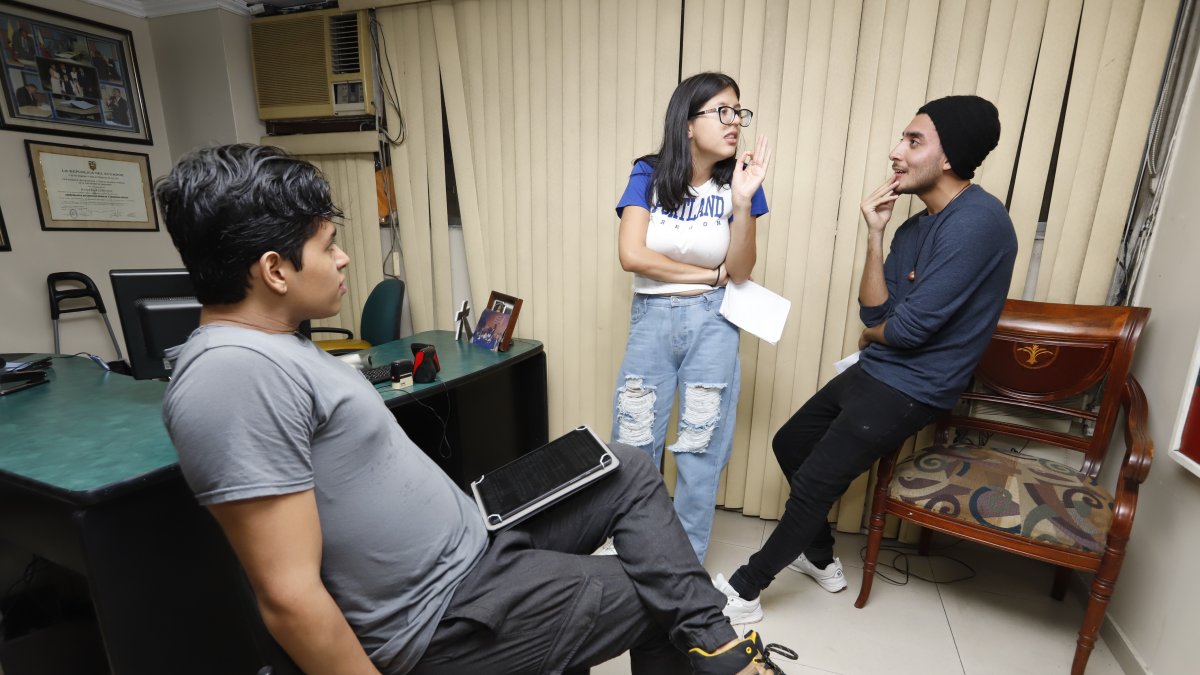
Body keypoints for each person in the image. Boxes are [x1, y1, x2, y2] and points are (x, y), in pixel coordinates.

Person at [157, 144, 792, 675]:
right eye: (328, 246)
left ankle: (716, 648)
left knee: (625, 467)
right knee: (668, 593)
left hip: (475, 536)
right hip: (443, 610)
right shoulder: (229, 376)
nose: (345, 257)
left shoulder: (272, 343)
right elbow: (288, 596)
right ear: (274, 269)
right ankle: (722, 654)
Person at [712, 95, 1018, 622]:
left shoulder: (979, 223)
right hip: (882, 370)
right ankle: (821, 556)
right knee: (792, 442)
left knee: (815, 482)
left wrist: (875, 336)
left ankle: (744, 592)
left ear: (949, 157)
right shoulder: (913, 227)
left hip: (916, 386)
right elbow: (874, 310)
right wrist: (875, 235)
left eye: (913, 140)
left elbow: (908, 329)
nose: (896, 152)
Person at [610, 71, 771, 562]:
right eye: (722, 112)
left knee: (702, 449)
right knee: (635, 443)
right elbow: (632, 256)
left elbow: (740, 270)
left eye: (738, 113)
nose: (735, 123)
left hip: (713, 324)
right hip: (653, 319)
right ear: (687, 122)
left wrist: (742, 203)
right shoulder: (649, 173)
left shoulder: (739, 184)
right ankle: (632, 557)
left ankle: (685, 567)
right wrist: (707, 275)